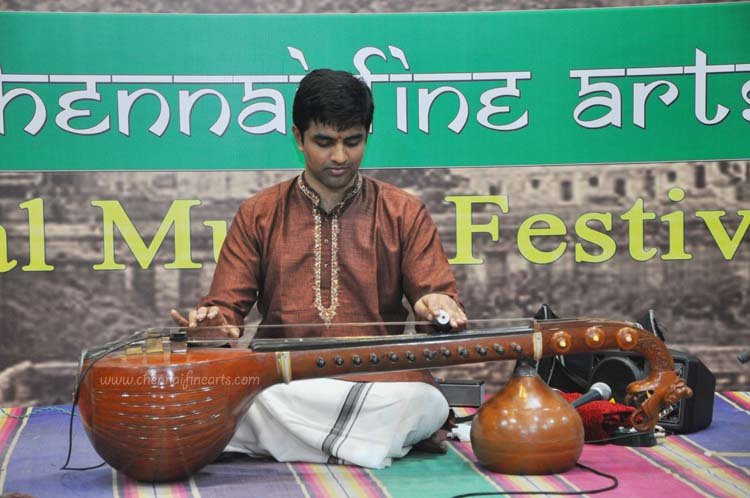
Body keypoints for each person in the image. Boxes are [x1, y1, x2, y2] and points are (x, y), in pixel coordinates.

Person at [171, 68, 467, 468]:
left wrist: (436, 306)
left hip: (379, 380)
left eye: (353, 141)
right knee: (207, 395)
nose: (340, 157)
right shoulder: (259, 213)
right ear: (298, 137)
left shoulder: (403, 211)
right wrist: (212, 326)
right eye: (324, 142)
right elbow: (225, 308)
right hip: (283, 381)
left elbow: (435, 296)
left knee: (424, 402)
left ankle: (294, 442)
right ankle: (357, 446)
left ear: (367, 135)